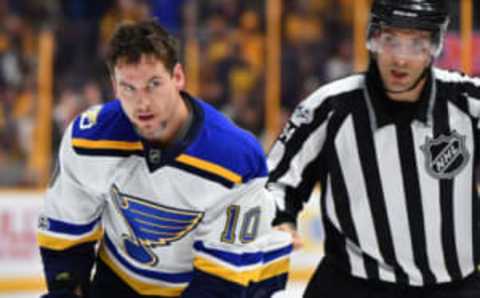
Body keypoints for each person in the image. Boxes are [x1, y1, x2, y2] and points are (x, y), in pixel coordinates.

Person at [37, 19, 291, 298]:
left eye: (153, 84)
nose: (142, 102)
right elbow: (66, 232)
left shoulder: (235, 158)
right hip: (124, 276)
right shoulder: (90, 139)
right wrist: (68, 288)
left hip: (235, 280)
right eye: (128, 88)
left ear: (178, 77)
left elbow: (222, 279)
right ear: (114, 86)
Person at [267, 0, 480, 297]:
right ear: (373, 40)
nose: (401, 59)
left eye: (416, 44)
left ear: (434, 46)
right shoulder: (330, 107)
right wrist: (279, 221)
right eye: (390, 40)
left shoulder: (469, 103)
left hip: (454, 288)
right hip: (353, 286)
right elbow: (276, 180)